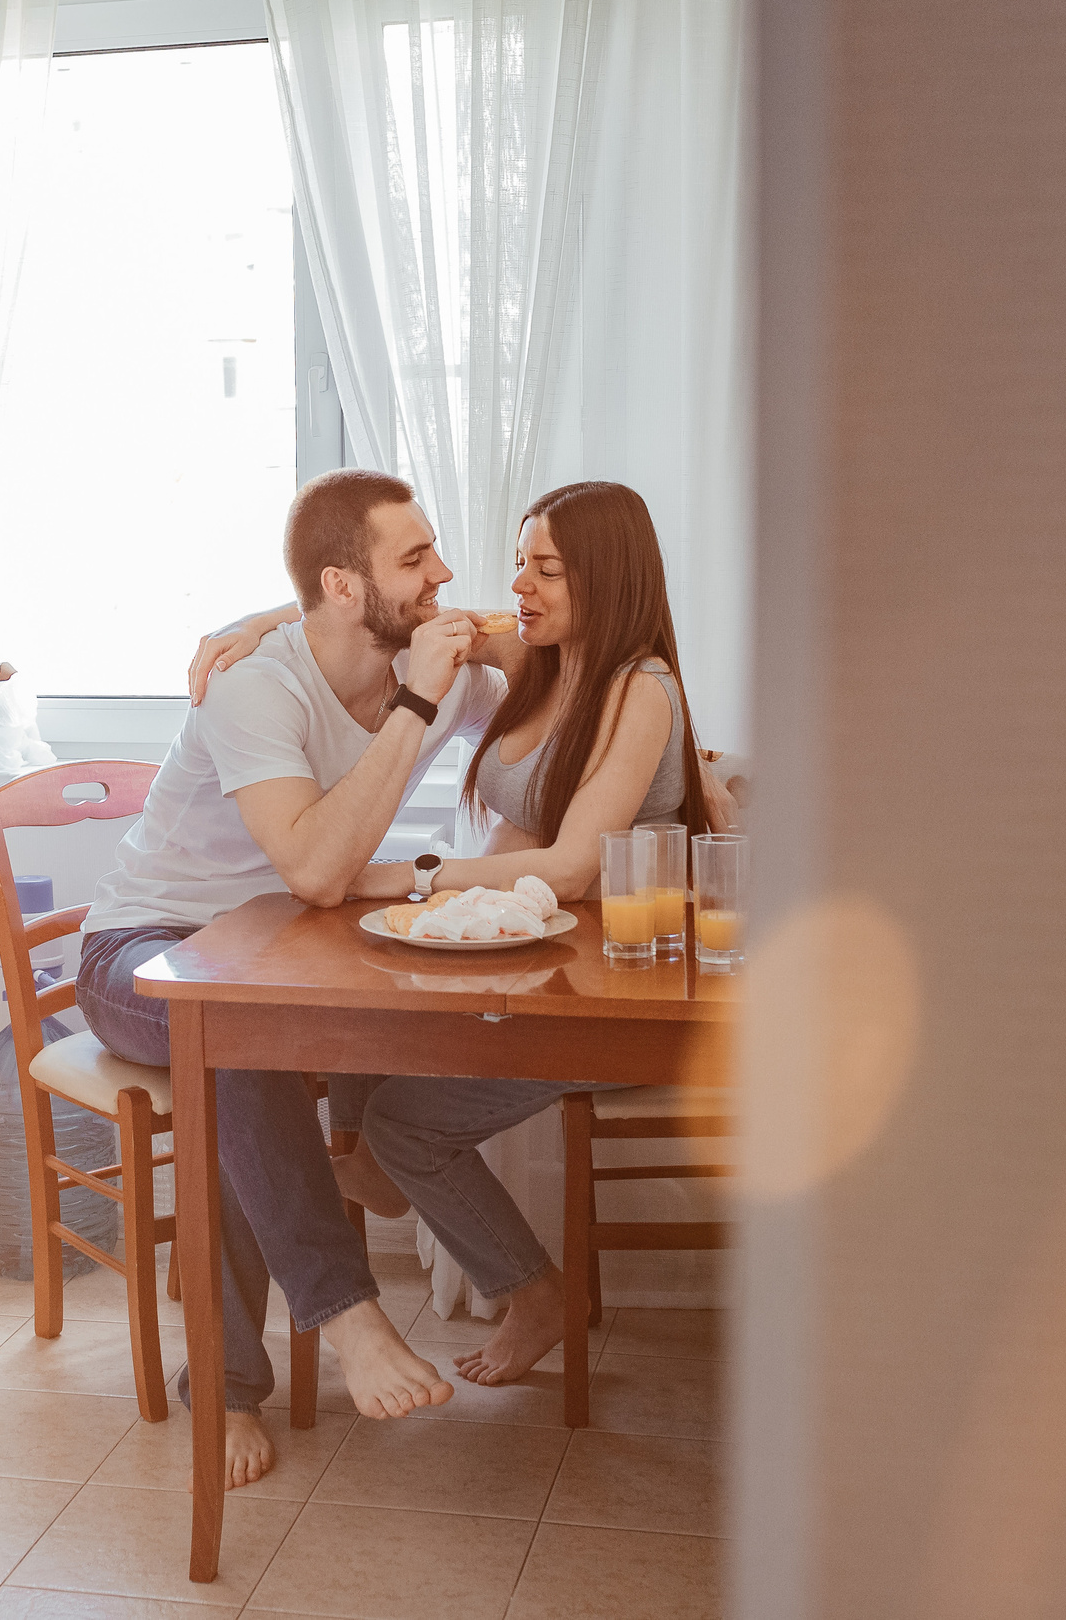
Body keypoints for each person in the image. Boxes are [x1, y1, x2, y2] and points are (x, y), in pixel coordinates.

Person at [197, 480, 724, 1387]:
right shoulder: (541, 656)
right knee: (366, 1024)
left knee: (403, 1121)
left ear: (604, 577)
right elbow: (382, 610)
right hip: (548, 969)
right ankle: (360, 1181)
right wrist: (261, 620)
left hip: (622, 990)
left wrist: (411, 875)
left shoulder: (639, 688)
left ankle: (528, 1286)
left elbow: (569, 867)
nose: (518, 585)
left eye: (545, 568)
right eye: (520, 562)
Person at [75, 467, 505, 1491]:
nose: (445, 574)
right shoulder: (256, 687)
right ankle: (339, 1321)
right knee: (231, 1032)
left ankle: (353, 1159)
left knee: (267, 1022)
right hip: (141, 947)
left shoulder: (427, 655)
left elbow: (551, 655)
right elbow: (314, 870)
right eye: (416, 558)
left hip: (268, 953)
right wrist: (410, 699)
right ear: (344, 587)